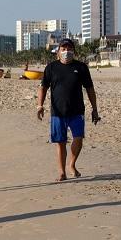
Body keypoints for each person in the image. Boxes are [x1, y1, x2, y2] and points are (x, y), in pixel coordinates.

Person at [37, 38, 100, 182]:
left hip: (77, 111)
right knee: (60, 142)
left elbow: (90, 89)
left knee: (78, 138)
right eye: (63, 49)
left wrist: (95, 109)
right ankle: (61, 172)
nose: (67, 52)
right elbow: (43, 88)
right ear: (58, 52)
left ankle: (72, 164)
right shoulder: (51, 68)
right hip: (57, 112)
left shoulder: (81, 67)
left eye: (69, 49)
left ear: (74, 51)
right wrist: (40, 106)